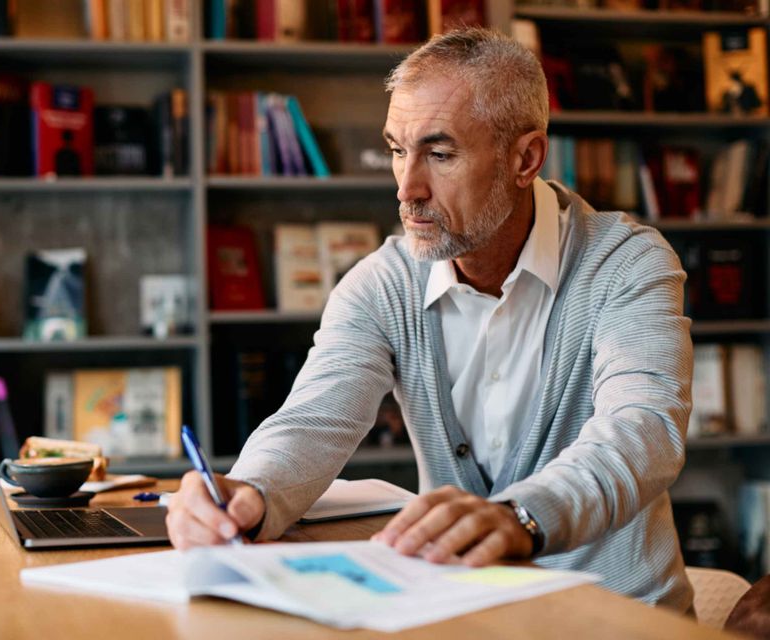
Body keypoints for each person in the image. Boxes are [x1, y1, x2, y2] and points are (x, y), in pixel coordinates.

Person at [167, 28, 693, 611]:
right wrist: (250, 493)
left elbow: (643, 432)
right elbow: (312, 420)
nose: (407, 189)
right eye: (397, 149)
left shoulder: (627, 265)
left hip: (619, 617)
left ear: (526, 158)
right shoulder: (381, 284)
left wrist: (519, 518)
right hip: (463, 613)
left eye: (440, 155)